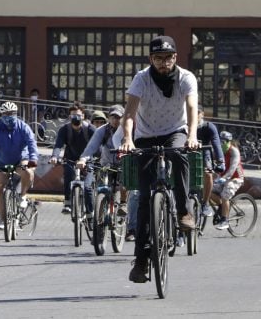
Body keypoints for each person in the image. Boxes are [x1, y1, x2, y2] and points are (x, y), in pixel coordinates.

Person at [117, 35, 200, 284]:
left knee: (178, 154)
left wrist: (192, 135)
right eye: (158, 58)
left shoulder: (186, 78)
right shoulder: (141, 78)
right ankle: (141, 261)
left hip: (175, 131)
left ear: (175, 57)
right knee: (144, 199)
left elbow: (192, 108)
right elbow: (130, 113)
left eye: (168, 58)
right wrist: (127, 139)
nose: (164, 63)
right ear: (150, 59)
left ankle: (184, 211)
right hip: (145, 136)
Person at [0, 101, 38, 228]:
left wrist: (33, 159)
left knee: (28, 171)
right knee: (0, 188)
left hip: (20, 159)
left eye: (12, 113)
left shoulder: (23, 127)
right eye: (6, 114)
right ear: (1, 115)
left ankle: (23, 195)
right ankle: (2, 220)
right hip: (1, 161)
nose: (9, 116)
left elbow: (32, 143)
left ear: (16, 114)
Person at [76, 105, 124, 228]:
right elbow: (91, 147)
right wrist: (83, 159)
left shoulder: (127, 130)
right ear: (108, 118)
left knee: (126, 187)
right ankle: (99, 227)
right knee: (102, 191)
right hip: (106, 165)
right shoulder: (102, 130)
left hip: (123, 165)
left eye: (118, 117)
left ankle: (124, 207)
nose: (115, 120)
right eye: (113, 117)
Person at [49, 103, 96, 214]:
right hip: (70, 159)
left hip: (87, 160)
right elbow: (58, 145)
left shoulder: (90, 129)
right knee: (68, 176)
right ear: (69, 117)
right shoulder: (65, 129)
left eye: (78, 115)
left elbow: (97, 145)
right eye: (73, 116)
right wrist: (55, 156)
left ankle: (90, 214)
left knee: (88, 187)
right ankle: (68, 203)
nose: (76, 118)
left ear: (83, 116)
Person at [196, 105, 225, 217]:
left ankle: (205, 203)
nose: (195, 115)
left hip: (204, 155)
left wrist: (221, 161)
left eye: (198, 113)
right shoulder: (184, 126)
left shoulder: (208, 127)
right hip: (189, 155)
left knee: (208, 174)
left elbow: (217, 145)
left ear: (202, 114)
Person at [211, 131, 244, 230]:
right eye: (219, 141)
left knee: (225, 195)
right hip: (222, 177)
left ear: (229, 142)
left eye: (224, 141)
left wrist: (223, 178)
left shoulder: (234, 151)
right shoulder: (217, 151)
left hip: (235, 178)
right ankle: (222, 206)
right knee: (207, 190)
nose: (221, 144)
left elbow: (232, 168)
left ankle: (225, 220)